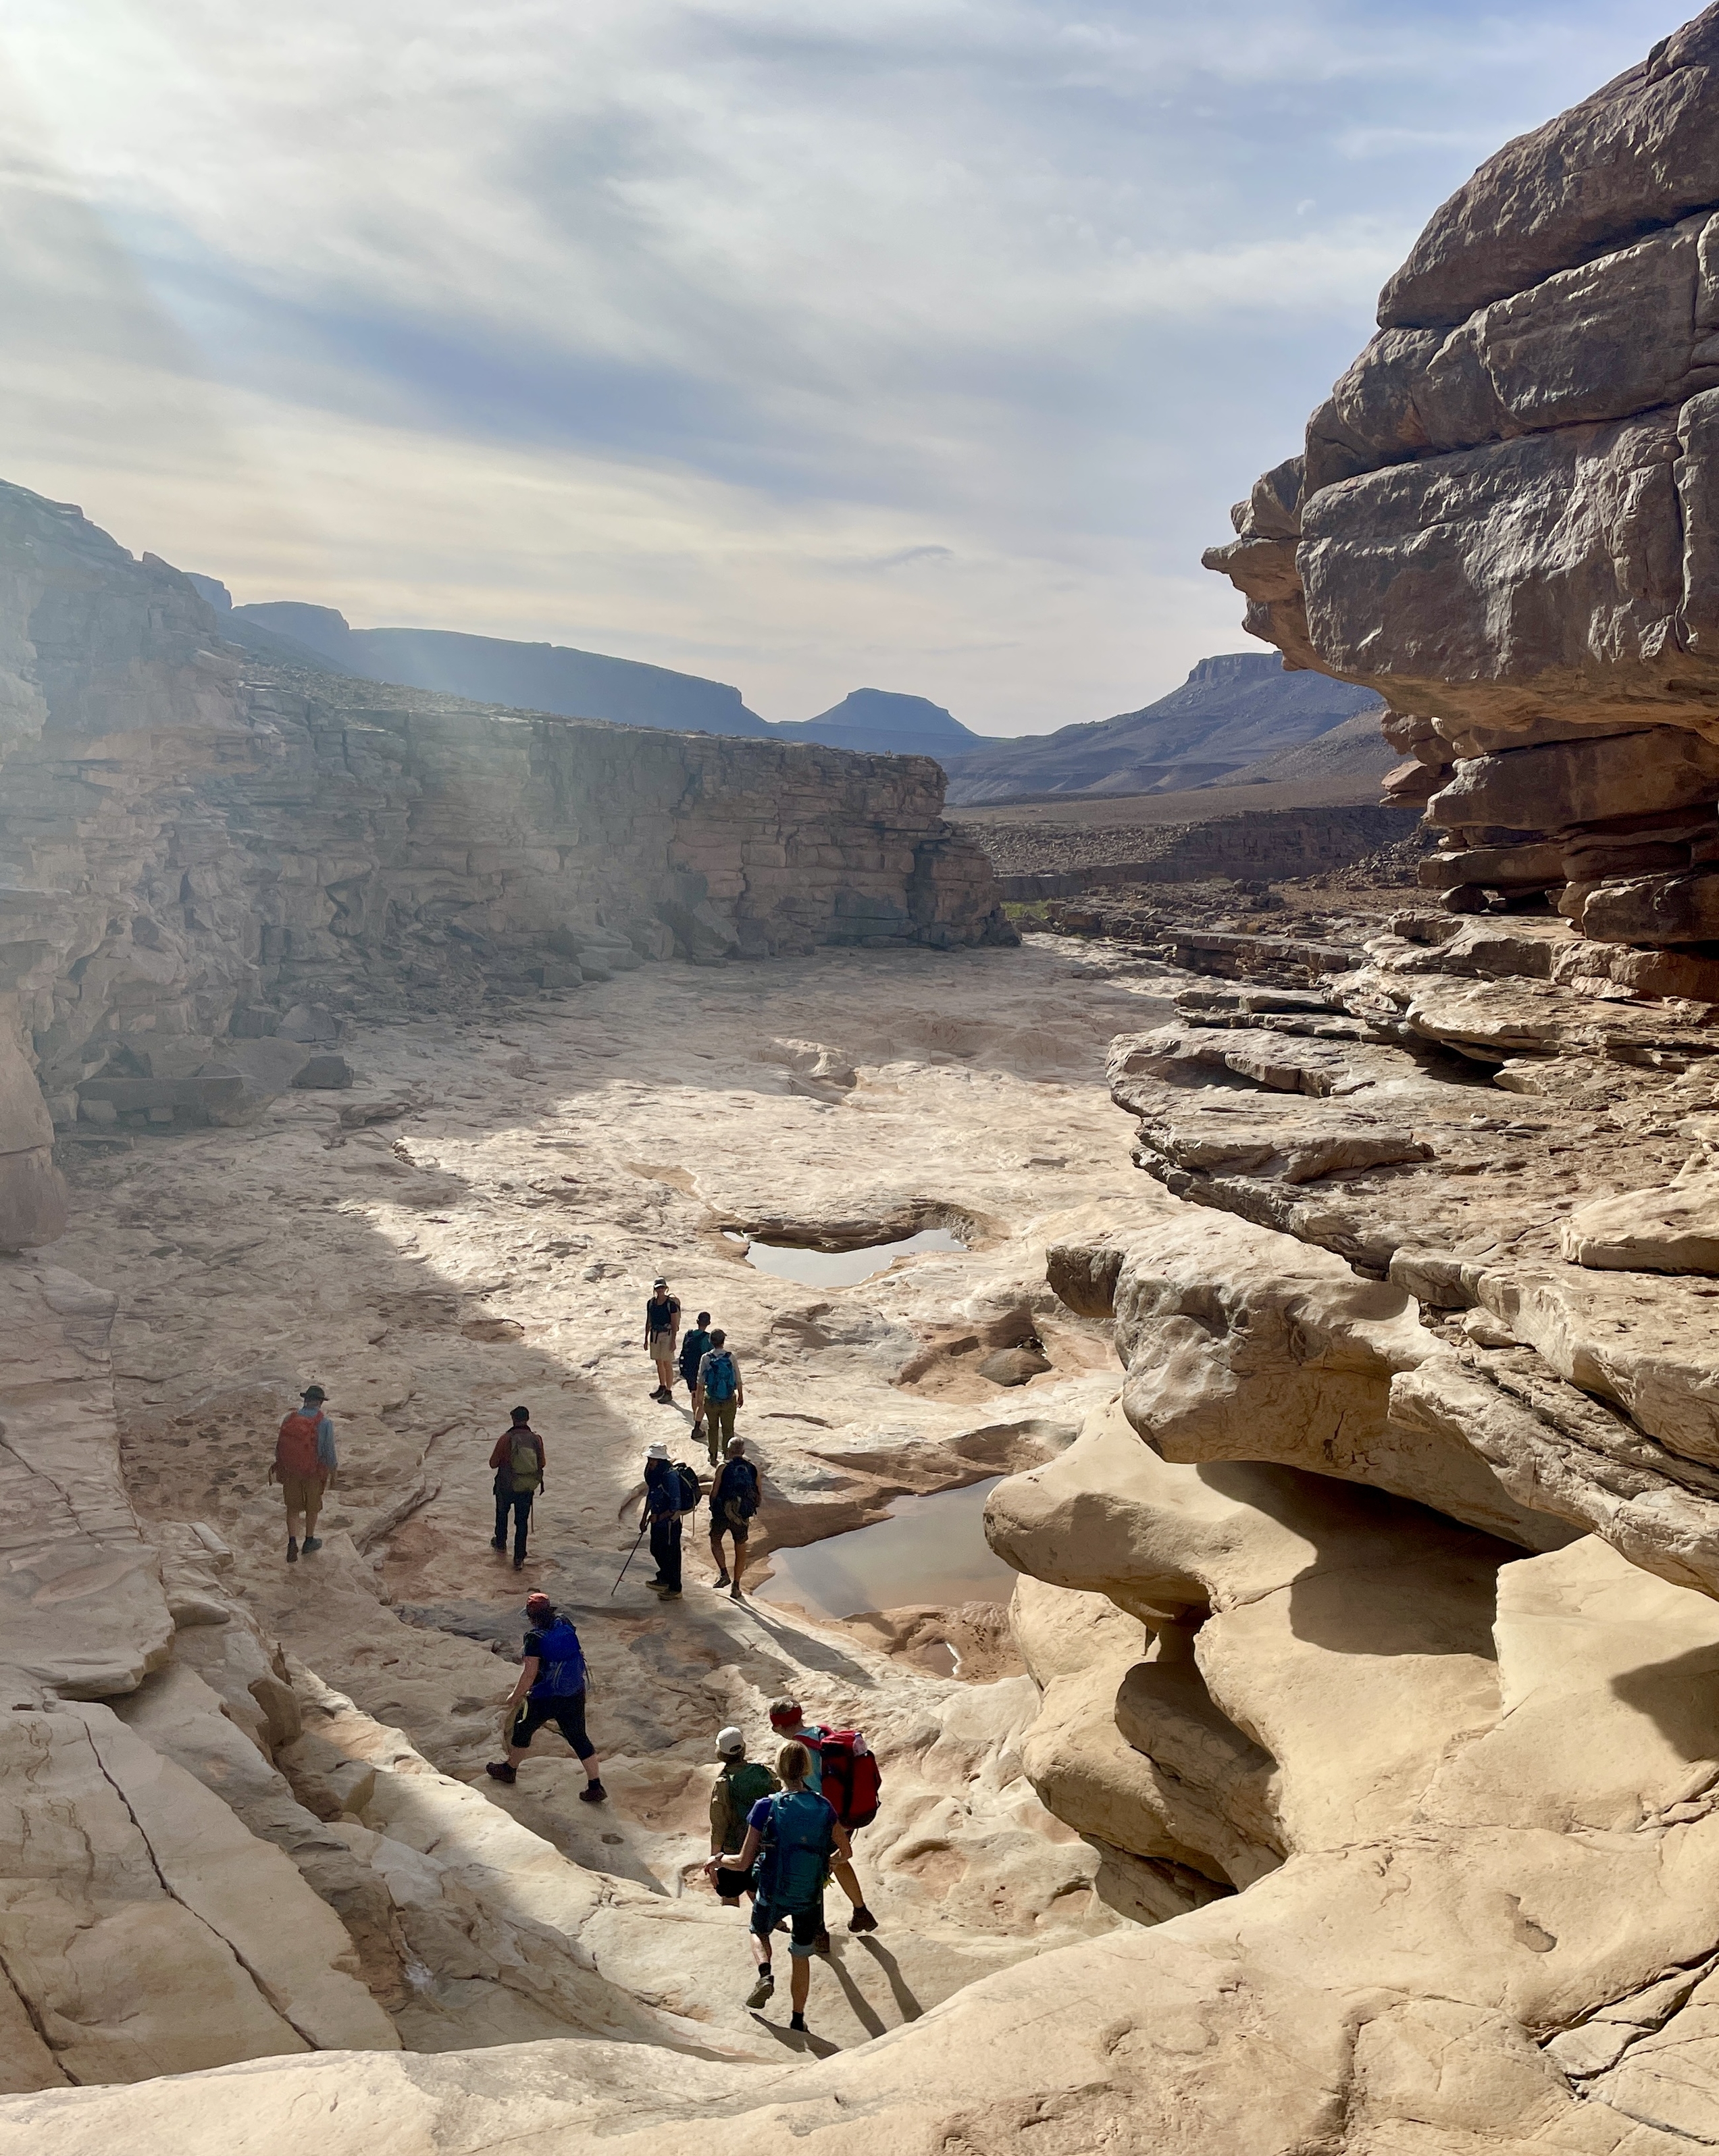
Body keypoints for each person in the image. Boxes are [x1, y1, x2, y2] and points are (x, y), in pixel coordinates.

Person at [707, 1740, 847, 2032]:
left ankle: (765, 1974)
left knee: (758, 1932)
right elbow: (846, 1852)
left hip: (772, 1889)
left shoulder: (766, 1806)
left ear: (779, 1770)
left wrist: (717, 1860)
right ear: (806, 1769)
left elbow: (743, 1862)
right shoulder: (824, 1807)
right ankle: (797, 2019)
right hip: (809, 1895)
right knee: (801, 1954)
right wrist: (827, 1862)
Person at [767, 1698, 878, 1938]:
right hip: (847, 1813)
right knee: (837, 1860)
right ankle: (861, 1912)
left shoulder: (796, 1749)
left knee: (812, 1872)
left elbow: (811, 1788)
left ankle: (818, 1932)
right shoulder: (822, 1733)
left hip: (822, 1818)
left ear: (779, 1727)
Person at [486, 1591, 607, 1801]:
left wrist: (516, 1695)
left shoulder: (534, 1638)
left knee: (522, 1728)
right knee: (578, 1737)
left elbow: (530, 1673)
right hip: (574, 1692)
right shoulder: (564, 1622)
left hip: (545, 1696)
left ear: (531, 1617)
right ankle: (595, 1786)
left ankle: (509, 1770)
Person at [708, 1725, 778, 1905]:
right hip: (763, 1849)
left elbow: (719, 1826)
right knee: (759, 1896)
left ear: (720, 1753)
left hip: (733, 1852)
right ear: (743, 1748)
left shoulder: (723, 1783)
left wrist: (714, 1860)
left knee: (730, 1895)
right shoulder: (763, 1772)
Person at [270, 1384, 336, 1564]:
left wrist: (282, 1465)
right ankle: (309, 1541)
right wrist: (333, 1471)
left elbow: (279, 1446)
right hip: (313, 1472)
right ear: (320, 1403)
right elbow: (329, 1452)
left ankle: (292, 1542)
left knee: (293, 1508)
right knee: (312, 1508)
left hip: (291, 1471)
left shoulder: (289, 1418)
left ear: (305, 1400)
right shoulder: (325, 1423)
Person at [489, 1406, 544, 1570]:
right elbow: (542, 1463)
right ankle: (519, 1557)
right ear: (527, 1419)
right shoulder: (536, 1439)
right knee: (521, 1522)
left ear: (513, 1419)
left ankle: (500, 1544)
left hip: (506, 1485)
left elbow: (493, 1463)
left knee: (502, 1514)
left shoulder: (506, 1439)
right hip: (526, 1487)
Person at [709, 1438, 760, 1601]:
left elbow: (714, 1492)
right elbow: (759, 1494)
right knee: (740, 1546)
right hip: (742, 1514)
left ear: (729, 1450)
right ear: (743, 1452)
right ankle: (736, 1586)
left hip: (723, 1512)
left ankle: (724, 1574)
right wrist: (749, 1510)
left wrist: (713, 1509)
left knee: (715, 1539)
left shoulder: (723, 1467)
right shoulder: (752, 1468)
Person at [642, 1440, 686, 1597]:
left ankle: (675, 1588)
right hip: (658, 1520)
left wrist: (659, 1517)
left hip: (669, 1523)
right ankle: (664, 1578)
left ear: (660, 1461)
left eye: (653, 1459)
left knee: (671, 1554)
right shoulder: (655, 1475)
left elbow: (676, 1504)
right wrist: (644, 1517)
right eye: (649, 1459)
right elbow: (652, 1494)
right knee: (656, 1549)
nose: (650, 1462)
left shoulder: (670, 1476)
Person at [694, 1329, 743, 1464]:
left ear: (711, 1341)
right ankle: (728, 1455)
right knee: (728, 1429)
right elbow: (738, 1377)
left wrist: (699, 1398)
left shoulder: (706, 1358)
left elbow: (700, 1380)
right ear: (723, 1341)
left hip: (711, 1399)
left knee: (713, 1428)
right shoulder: (730, 1357)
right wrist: (740, 1395)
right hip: (729, 1398)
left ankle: (713, 1456)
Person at [644, 1278, 681, 1402]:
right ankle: (662, 1386)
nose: (660, 1290)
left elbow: (674, 1323)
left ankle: (669, 1391)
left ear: (666, 1288)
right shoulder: (651, 1303)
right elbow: (649, 1320)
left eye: (662, 1288)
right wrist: (646, 1338)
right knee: (658, 1361)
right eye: (658, 1288)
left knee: (667, 1363)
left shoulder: (671, 1304)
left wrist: (673, 1340)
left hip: (667, 1335)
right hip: (655, 1334)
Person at [679, 1310, 713, 1435]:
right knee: (701, 1399)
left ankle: (695, 1417)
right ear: (709, 1323)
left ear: (697, 1322)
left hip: (689, 1370)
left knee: (693, 1395)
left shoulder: (689, 1334)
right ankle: (698, 1422)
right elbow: (709, 1356)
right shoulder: (708, 1338)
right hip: (700, 1372)